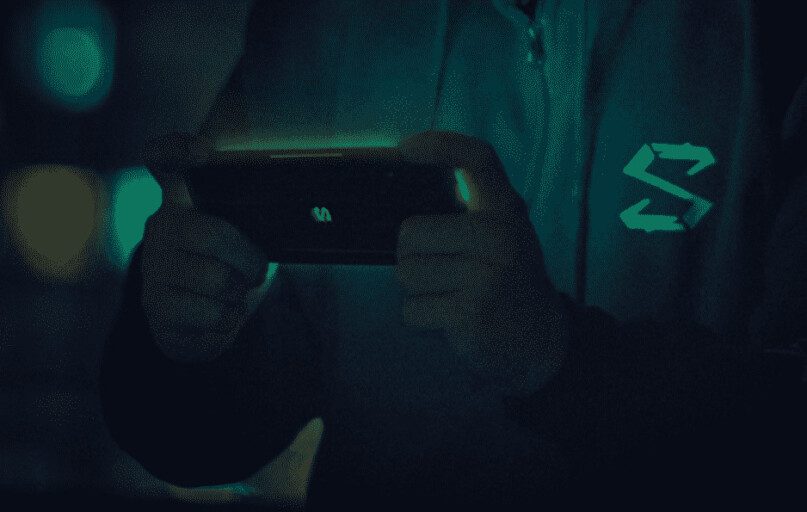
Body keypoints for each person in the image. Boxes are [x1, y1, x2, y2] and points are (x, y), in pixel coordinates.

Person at [100, 1, 806, 509]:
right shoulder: (322, 21)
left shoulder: (775, 31)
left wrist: (559, 361)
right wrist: (176, 339)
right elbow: (199, 437)